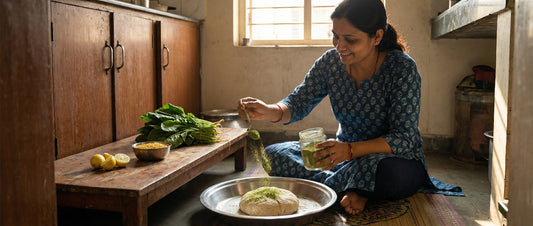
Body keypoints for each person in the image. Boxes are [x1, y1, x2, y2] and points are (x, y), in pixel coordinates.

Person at [238, 0, 462, 215]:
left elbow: (404, 139)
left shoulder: (401, 69)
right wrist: (269, 110)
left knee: (391, 175)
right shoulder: (330, 63)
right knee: (273, 155)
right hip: (343, 158)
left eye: (350, 39)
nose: (340, 46)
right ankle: (353, 189)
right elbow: (298, 102)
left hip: (388, 159)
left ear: (377, 37)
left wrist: (350, 150)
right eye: (335, 36)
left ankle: (333, 189)